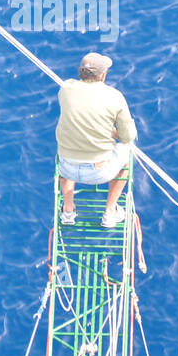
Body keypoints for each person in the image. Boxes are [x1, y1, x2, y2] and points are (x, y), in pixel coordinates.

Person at [56, 52, 137, 228]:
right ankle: (109, 212)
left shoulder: (65, 89)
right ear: (103, 75)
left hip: (67, 169)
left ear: (80, 72)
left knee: (69, 148)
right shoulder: (114, 96)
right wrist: (113, 133)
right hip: (100, 172)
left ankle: (68, 211)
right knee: (126, 155)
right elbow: (128, 137)